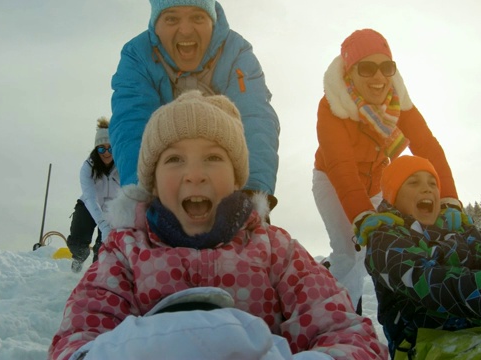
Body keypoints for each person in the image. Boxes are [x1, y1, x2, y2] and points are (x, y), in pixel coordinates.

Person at [48, 91, 388, 360]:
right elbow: (78, 337)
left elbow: (347, 332)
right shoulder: (125, 254)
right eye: (174, 159)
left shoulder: (277, 252)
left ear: (237, 177)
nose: (195, 173)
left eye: (213, 157)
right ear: (152, 180)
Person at [312, 28, 460, 313]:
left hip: (375, 185)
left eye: (386, 67)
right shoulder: (333, 105)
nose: (379, 77)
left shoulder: (398, 104)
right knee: (350, 250)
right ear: (349, 72)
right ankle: (340, 317)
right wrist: (361, 215)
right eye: (367, 68)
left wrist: (449, 198)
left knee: (378, 248)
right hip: (331, 180)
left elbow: (428, 149)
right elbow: (340, 165)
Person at [358, 155, 481, 359]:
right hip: (424, 343)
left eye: (433, 183)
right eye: (413, 183)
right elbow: (427, 282)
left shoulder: (459, 230)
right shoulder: (385, 239)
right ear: (393, 197)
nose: (427, 188)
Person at [109, 0, 280, 210]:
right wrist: (141, 195)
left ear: (212, 21)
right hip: (167, 174)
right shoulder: (137, 56)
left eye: (197, 17)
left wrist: (252, 193)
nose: (186, 30)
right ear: (156, 23)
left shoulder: (236, 53)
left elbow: (255, 118)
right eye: (172, 18)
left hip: (221, 173)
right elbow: (131, 122)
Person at [66, 117, 120, 273]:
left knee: (103, 249)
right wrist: (102, 225)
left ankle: (96, 275)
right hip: (89, 206)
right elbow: (90, 197)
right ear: (96, 149)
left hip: (112, 209)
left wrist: (108, 227)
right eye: (101, 149)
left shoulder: (123, 165)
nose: (106, 153)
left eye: (110, 148)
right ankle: (78, 259)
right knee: (77, 243)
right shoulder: (87, 168)